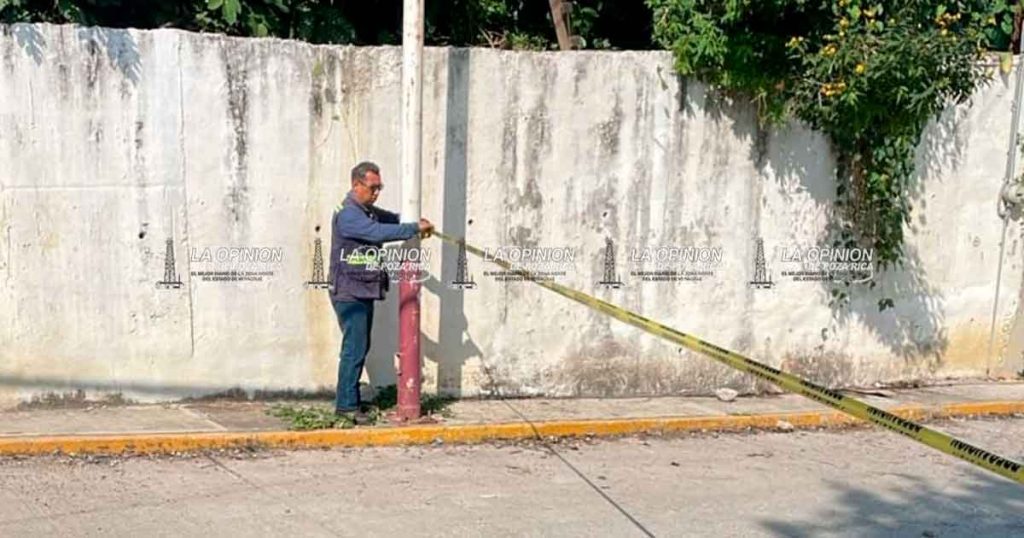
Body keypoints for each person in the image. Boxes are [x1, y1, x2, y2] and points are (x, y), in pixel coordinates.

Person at [328, 161, 433, 424]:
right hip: (350, 292)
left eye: (380, 188)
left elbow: (390, 219)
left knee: (359, 347)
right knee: (354, 349)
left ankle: (349, 400)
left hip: (360, 288)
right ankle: (346, 407)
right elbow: (377, 233)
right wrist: (412, 229)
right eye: (372, 188)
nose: (376, 193)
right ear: (356, 185)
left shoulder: (365, 210)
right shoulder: (349, 215)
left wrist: (412, 221)